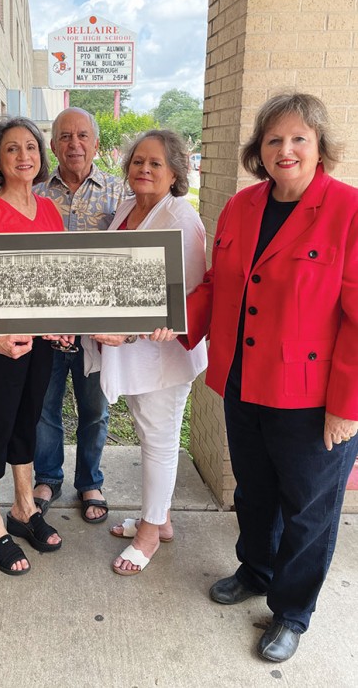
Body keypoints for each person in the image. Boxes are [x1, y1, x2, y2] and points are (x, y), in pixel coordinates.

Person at [181, 93, 358, 662]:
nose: (285, 150)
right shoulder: (241, 206)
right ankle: (256, 570)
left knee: (309, 509)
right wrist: (167, 320)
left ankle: (291, 611)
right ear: (258, 149)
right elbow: (216, 286)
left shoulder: (348, 210)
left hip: (311, 398)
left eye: (298, 139)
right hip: (244, 383)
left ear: (320, 147)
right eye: (273, 139)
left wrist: (347, 405)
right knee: (255, 492)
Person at [82, 130, 207, 574]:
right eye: (138, 161)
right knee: (148, 434)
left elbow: (187, 301)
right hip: (130, 353)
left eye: (155, 163)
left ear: (174, 171)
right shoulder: (124, 211)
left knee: (158, 442)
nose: (145, 169)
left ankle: (151, 533)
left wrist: (128, 334)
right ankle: (162, 517)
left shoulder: (180, 218)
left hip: (162, 358)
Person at [0, 115, 64, 575]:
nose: (24, 156)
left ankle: (25, 508)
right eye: (12, 149)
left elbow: (57, 279)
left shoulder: (50, 211)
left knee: (28, 423)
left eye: (31, 148)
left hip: (38, 344)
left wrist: (62, 324)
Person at [33, 107, 125, 523]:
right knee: (43, 407)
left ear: (96, 144)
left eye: (83, 136)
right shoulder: (33, 193)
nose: (74, 144)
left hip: (94, 331)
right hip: (45, 328)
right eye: (65, 136)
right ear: (52, 145)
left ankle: (90, 479)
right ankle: (47, 478)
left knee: (95, 409)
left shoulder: (119, 194)